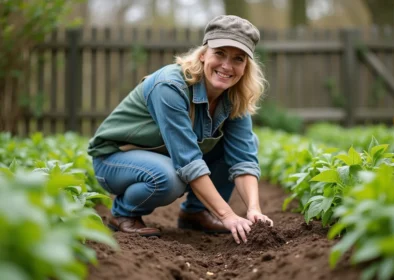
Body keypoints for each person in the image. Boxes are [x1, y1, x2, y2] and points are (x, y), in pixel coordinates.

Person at [88, 15, 273, 244]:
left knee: (250, 142)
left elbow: (243, 158)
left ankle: (196, 213)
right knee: (168, 178)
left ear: (246, 66)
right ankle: (123, 213)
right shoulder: (170, 86)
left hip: (164, 156)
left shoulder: (236, 95)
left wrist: (253, 210)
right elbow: (187, 161)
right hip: (116, 158)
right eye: (220, 53)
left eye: (238, 58)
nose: (227, 65)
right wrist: (227, 215)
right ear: (203, 54)